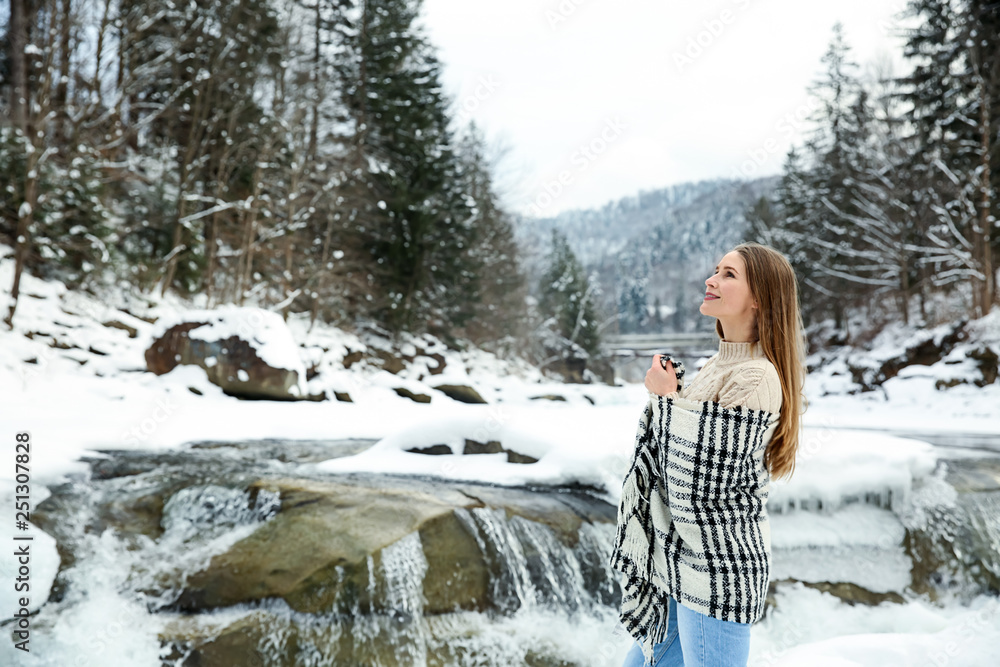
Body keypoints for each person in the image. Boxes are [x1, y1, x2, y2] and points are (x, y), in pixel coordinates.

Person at [614, 242, 807, 667]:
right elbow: (685, 448)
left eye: (728, 274)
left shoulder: (756, 377)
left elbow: (701, 485)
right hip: (681, 563)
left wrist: (667, 402)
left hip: (720, 571)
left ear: (760, 298)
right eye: (715, 270)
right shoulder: (718, 365)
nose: (711, 279)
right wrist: (675, 398)